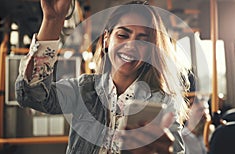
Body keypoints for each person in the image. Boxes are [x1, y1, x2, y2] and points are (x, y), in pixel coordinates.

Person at [15, 0, 189, 153]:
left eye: (142, 40)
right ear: (107, 39)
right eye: (122, 35)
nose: (131, 46)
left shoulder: (162, 103)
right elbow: (32, 96)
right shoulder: (84, 89)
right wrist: (52, 21)